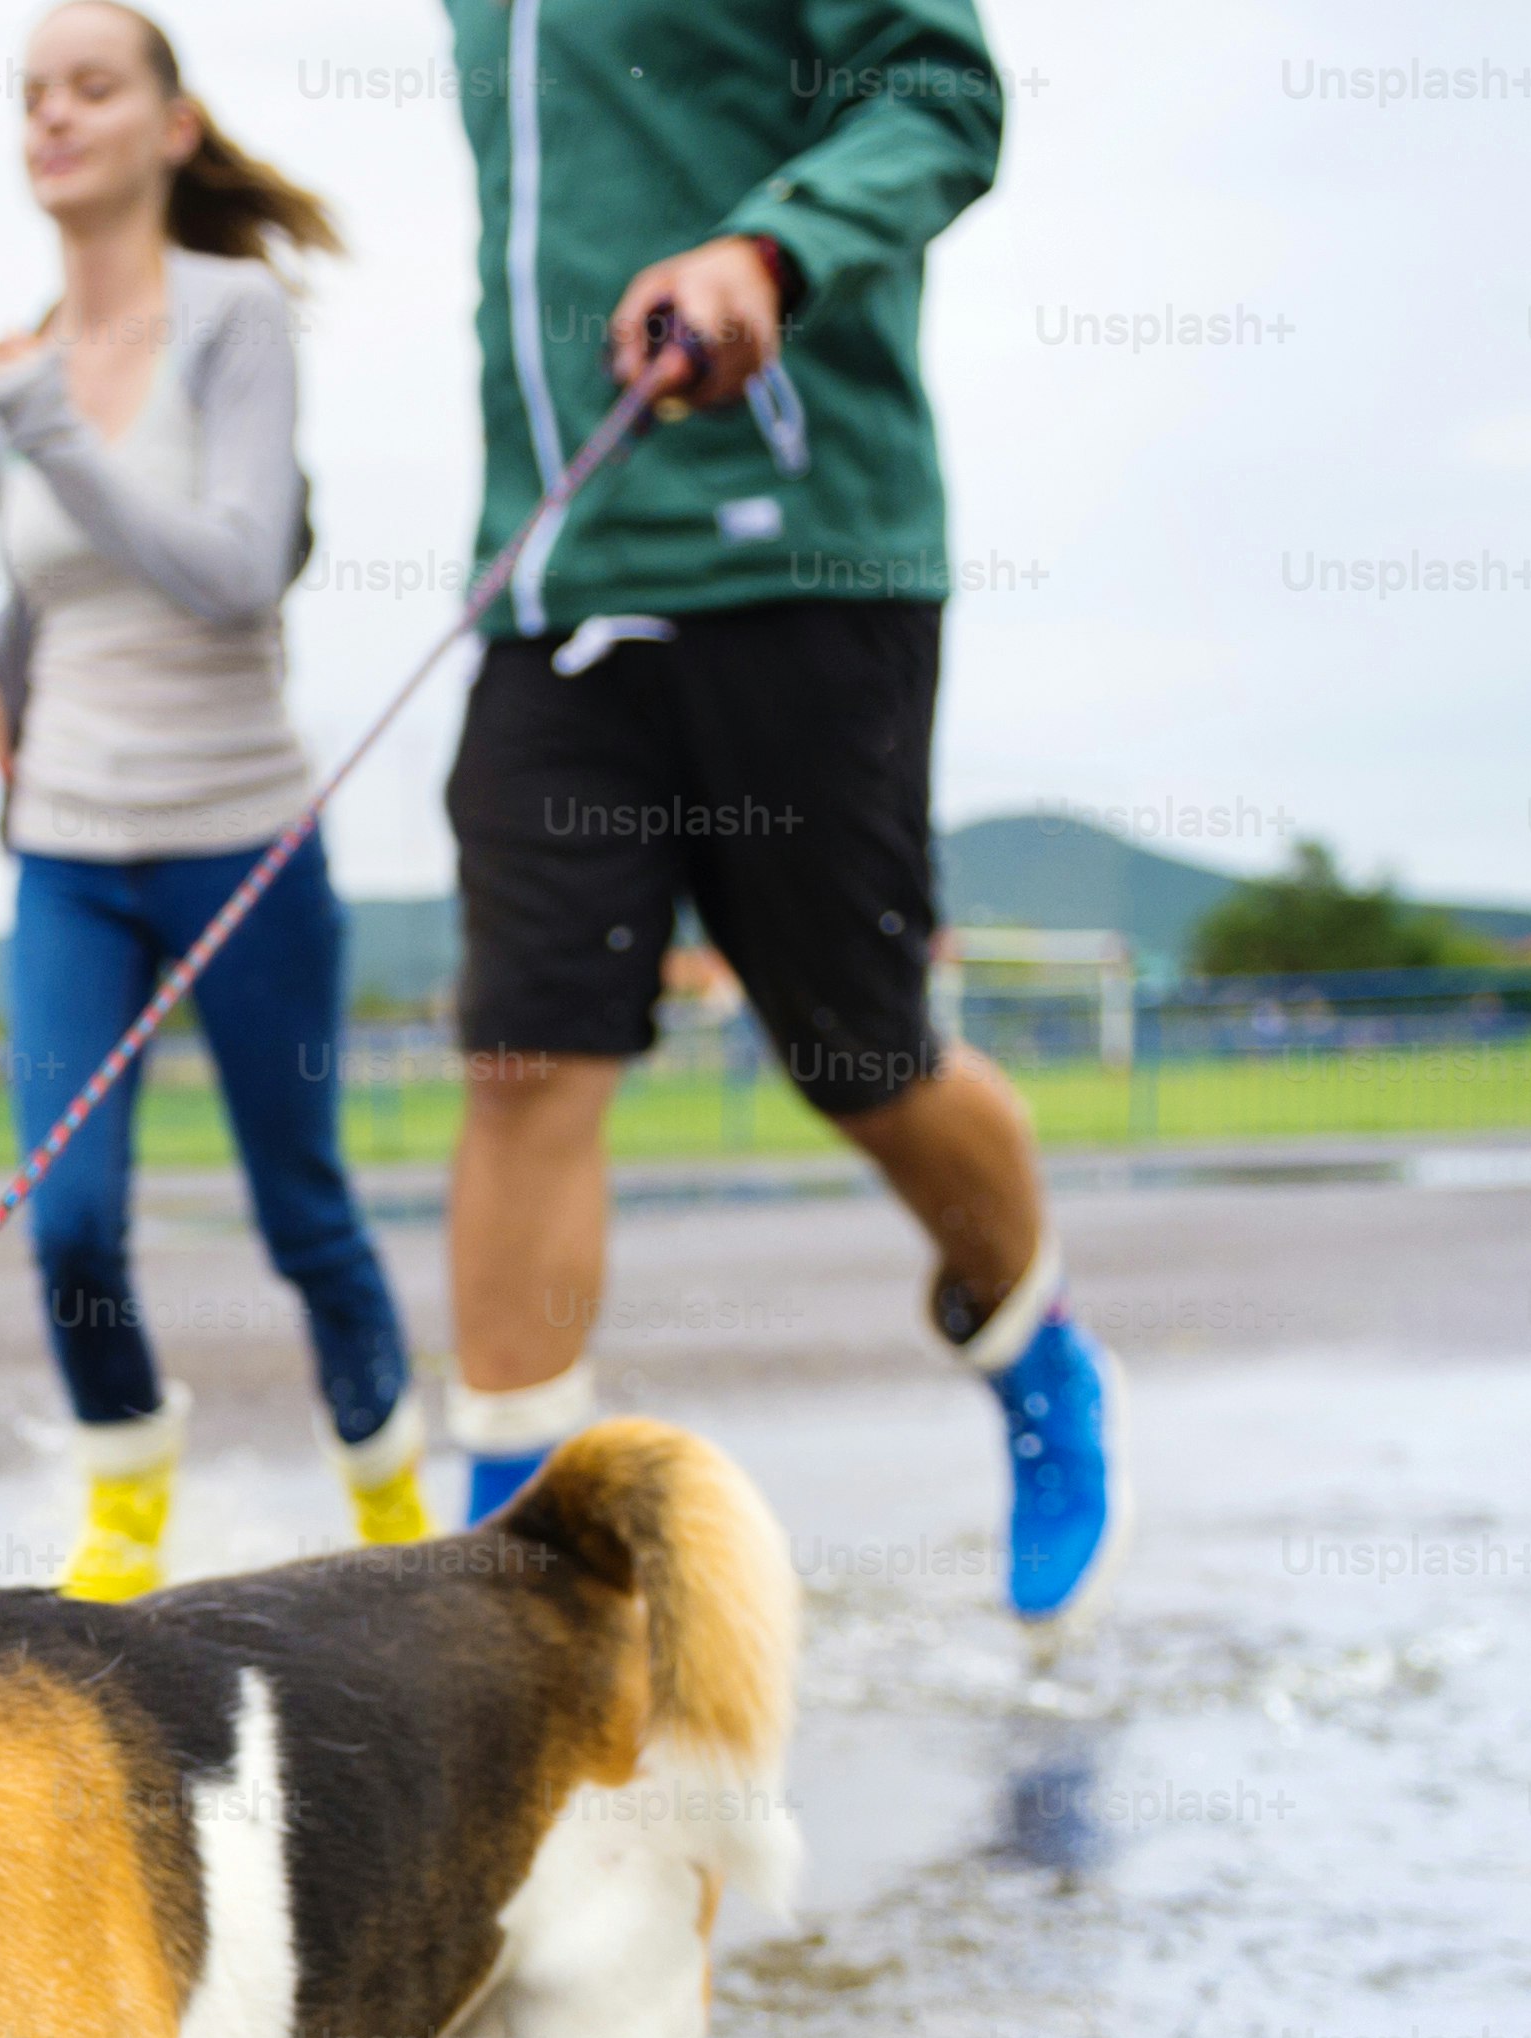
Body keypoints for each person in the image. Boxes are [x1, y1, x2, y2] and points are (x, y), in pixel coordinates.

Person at [435, 0, 1120, 1620]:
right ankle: (503, 1587)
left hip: (800, 557)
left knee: (863, 1057)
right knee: (526, 1054)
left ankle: (1036, 1352)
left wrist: (770, 246)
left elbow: (938, 91)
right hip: (558, 582)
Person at [0, 2, 424, 1605]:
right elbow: (52, 587)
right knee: (69, 1222)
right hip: (72, 844)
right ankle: (126, 1514)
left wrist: (57, 435)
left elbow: (226, 573)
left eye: (92, 87)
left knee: (305, 1214)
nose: (54, 118)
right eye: (30, 97)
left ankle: (400, 1529)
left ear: (174, 126)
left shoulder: (234, 324)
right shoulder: (4, 382)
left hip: (243, 836)